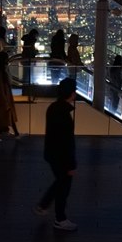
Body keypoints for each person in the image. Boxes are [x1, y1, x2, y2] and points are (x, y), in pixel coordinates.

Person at [34, 76, 77, 231]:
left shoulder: (53, 108)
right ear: (71, 94)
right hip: (62, 158)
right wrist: (71, 164)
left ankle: (44, 206)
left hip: (52, 155)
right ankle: (60, 219)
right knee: (63, 186)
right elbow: (67, 142)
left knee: (60, 182)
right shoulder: (64, 114)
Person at [0, 50, 19, 142]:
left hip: (4, 95)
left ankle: (16, 133)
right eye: (6, 58)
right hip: (3, 96)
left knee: (7, 114)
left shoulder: (1, 70)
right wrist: (4, 99)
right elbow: (0, 86)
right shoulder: (0, 71)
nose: (8, 59)